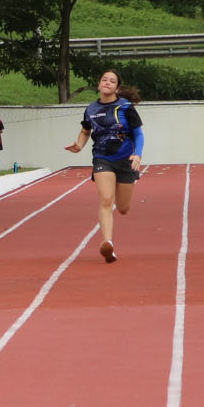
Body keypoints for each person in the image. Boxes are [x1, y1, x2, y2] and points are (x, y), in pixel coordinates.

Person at [64, 69, 145, 264]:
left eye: (112, 81)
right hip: (102, 158)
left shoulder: (125, 107)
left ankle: (110, 237)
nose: (107, 83)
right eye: (104, 80)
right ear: (99, 84)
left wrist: (138, 155)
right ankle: (107, 243)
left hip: (125, 159)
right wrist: (79, 145)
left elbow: (139, 134)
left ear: (117, 87)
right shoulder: (91, 109)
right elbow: (85, 131)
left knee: (123, 208)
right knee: (106, 200)